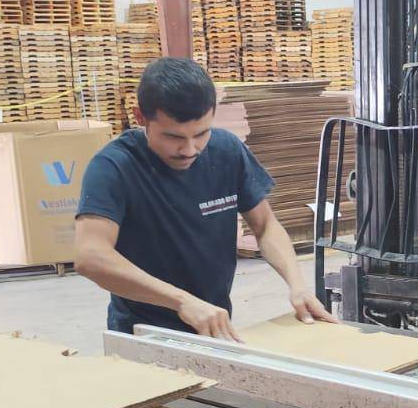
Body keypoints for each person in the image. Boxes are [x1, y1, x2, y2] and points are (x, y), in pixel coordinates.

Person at [75, 56, 333, 339]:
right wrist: (182, 301)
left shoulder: (227, 151)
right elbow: (91, 256)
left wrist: (297, 285)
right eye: (173, 137)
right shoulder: (114, 167)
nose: (189, 149)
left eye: (201, 134)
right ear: (140, 118)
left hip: (213, 326)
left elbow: (266, 226)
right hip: (142, 332)